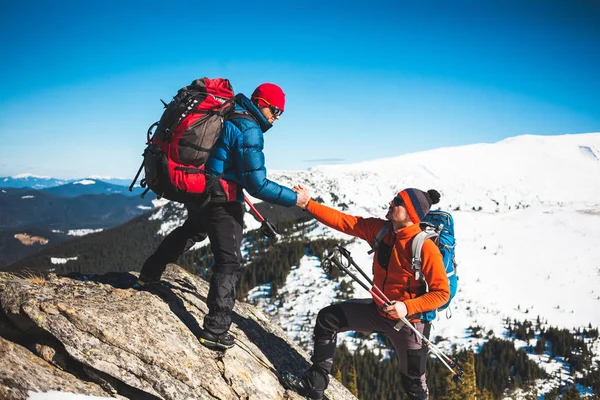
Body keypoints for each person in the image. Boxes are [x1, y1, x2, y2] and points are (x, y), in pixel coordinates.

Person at [137, 83, 309, 351]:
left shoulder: (230, 111)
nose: (276, 117)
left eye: (280, 113)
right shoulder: (249, 128)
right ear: (261, 103)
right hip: (223, 201)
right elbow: (257, 184)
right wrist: (295, 200)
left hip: (203, 190)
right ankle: (215, 330)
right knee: (229, 262)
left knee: (190, 231)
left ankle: (149, 274)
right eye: (275, 110)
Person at [282, 186, 449, 400]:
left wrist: (406, 306)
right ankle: (314, 385)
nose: (391, 203)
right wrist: (308, 204)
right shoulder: (381, 230)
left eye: (398, 201)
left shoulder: (424, 247)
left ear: (411, 213)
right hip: (380, 311)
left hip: (410, 324)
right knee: (328, 319)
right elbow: (345, 221)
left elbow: (441, 293)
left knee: (415, 385)